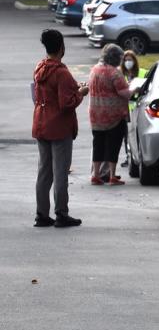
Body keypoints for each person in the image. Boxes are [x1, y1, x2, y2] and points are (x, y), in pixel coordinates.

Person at [33, 29, 88, 228]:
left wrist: (75, 89)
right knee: (60, 172)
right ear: (62, 48)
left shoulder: (40, 68)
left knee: (44, 172)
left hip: (41, 123)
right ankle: (61, 214)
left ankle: (41, 214)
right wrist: (81, 92)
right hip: (59, 127)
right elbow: (66, 104)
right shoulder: (61, 72)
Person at [88, 44, 137, 186]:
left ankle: (96, 175)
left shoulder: (94, 69)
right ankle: (111, 176)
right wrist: (135, 89)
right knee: (112, 145)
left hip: (95, 115)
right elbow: (125, 93)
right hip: (113, 117)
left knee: (98, 144)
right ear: (115, 58)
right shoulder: (114, 73)